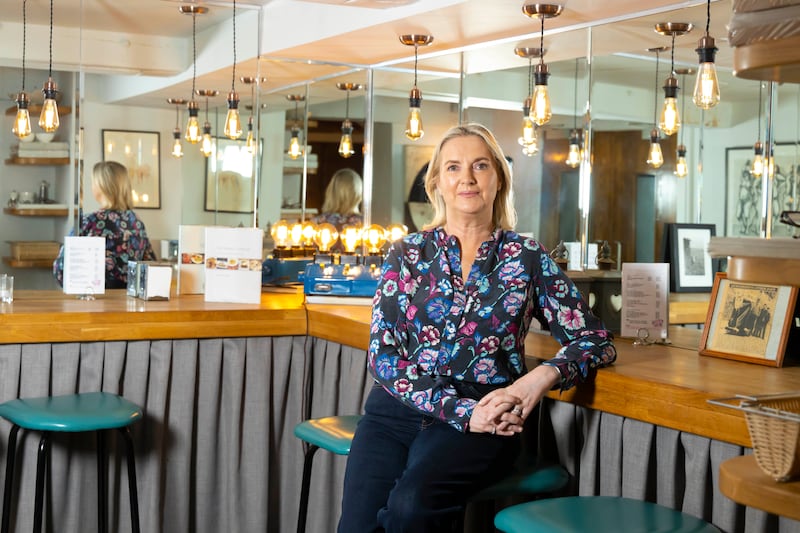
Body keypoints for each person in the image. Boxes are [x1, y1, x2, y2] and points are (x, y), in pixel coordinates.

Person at [338, 123, 616, 532]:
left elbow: (594, 340)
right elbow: (382, 357)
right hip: (395, 412)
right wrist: (462, 412)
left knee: (411, 508)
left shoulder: (526, 257)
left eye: (480, 166)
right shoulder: (407, 253)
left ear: (499, 179)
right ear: (437, 183)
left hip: (487, 414)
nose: (466, 178)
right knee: (358, 526)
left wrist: (538, 378)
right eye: (453, 168)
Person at [53, 161, 156, 289]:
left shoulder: (89, 221)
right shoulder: (136, 222)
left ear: (101, 186)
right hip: (129, 302)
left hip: (96, 300)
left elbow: (60, 269)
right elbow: (151, 265)